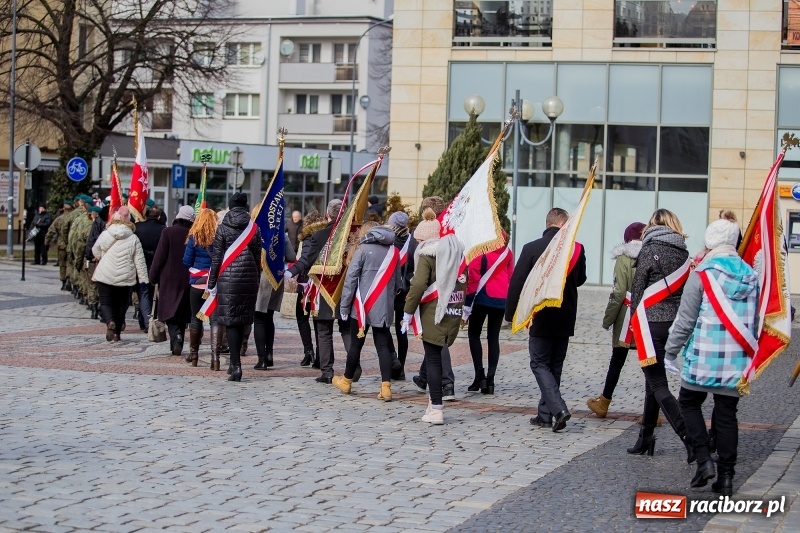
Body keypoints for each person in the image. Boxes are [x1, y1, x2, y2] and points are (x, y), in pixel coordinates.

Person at [665, 219, 758, 496]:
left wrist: (670, 352)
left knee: (689, 403)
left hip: (703, 357)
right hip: (736, 361)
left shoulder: (702, 273)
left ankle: (704, 460)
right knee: (727, 414)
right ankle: (727, 476)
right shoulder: (752, 275)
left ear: (709, 241)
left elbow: (685, 320)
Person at [505, 208, 586, 432]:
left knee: (539, 364)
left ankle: (558, 409)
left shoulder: (531, 248)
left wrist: (511, 315)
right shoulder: (576, 249)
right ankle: (545, 415)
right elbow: (580, 279)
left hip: (540, 315)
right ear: (561, 225)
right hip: (565, 315)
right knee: (554, 366)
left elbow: (517, 282)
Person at [627, 209, 695, 462]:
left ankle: (690, 437)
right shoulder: (684, 252)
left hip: (651, 324)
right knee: (651, 382)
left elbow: (638, 290)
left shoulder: (648, 249)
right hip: (675, 325)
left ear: (652, 225)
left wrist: (635, 325)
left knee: (657, 384)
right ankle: (646, 437)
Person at [402, 208, 466, 424]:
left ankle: (437, 408)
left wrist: (407, 311)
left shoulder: (428, 255)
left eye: (419, 240)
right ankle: (432, 405)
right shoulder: (453, 254)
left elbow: (419, 284)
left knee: (433, 362)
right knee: (436, 358)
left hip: (433, 313)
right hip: (451, 312)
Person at [332, 222, 399, 399]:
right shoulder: (394, 252)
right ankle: (386, 388)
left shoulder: (362, 249)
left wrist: (344, 307)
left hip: (361, 308)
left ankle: (346, 381)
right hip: (383, 307)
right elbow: (398, 283)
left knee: (356, 344)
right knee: (383, 346)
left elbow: (351, 280)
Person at [587, 222, 645, 418]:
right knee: (649, 364)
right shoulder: (651, 256)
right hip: (646, 315)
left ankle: (604, 402)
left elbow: (619, 291)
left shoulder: (624, 258)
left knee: (617, 361)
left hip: (626, 315)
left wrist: (607, 319)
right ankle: (652, 411)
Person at [285, 199, 344, 384]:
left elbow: (306, 260)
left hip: (324, 288)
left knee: (324, 330)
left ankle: (327, 371)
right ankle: (353, 368)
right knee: (347, 329)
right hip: (346, 288)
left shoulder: (318, 236)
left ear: (328, 214)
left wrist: (290, 272)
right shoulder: (352, 234)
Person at [207, 193, 262, 382]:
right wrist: (256, 279)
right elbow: (257, 258)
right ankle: (234, 363)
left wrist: (212, 282)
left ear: (230, 206)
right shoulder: (254, 228)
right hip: (249, 279)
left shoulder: (222, 228)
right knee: (242, 320)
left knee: (230, 321)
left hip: (227, 280)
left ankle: (235, 364)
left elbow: (216, 259)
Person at [411, 196, 457, 401]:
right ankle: (423, 378)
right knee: (434, 341)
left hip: (436, 293)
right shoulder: (446, 230)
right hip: (449, 291)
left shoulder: (436, 233)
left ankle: (446, 384)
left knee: (438, 339)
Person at [464, 232, 513, 395]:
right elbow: (510, 277)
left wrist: (467, 303)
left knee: (474, 335)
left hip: (482, 298)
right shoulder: (507, 252)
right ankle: (491, 379)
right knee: (493, 338)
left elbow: (473, 278)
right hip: (501, 300)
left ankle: (480, 375)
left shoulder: (480, 251)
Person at [92, 206, 149, 342]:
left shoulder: (106, 233)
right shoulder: (134, 238)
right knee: (121, 305)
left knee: (105, 302)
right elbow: (139, 261)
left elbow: (95, 250)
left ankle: (110, 322)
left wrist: (102, 256)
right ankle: (117, 333)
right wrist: (143, 279)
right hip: (125, 277)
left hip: (105, 274)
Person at [150, 205, 194, 357]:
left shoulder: (168, 232)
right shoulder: (192, 234)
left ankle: (176, 337)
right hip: (188, 278)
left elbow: (160, 256)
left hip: (169, 278)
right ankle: (178, 339)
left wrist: (153, 276)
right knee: (181, 311)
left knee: (169, 312)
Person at [253, 229, 296, 371]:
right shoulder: (281, 233)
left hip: (262, 276)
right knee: (269, 317)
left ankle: (261, 359)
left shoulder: (256, 232)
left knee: (259, 317)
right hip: (276, 277)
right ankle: (269, 354)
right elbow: (291, 256)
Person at [183, 208, 219, 369]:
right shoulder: (219, 238)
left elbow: (186, 261)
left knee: (195, 319)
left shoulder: (194, 237)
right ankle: (215, 358)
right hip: (213, 285)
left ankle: (194, 355)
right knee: (215, 320)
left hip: (197, 283)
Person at [387, 210, 416, 380]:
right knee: (402, 331)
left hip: (392, 291)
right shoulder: (413, 242)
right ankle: (401, 369)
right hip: (407, 292)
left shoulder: (390, 242)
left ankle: (393, 358)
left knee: (383, 327)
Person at [295, 211, 325, 367]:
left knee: (302, 316)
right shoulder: (326, 236)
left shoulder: (308, 238)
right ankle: (320, 354)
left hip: (307, 282)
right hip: (321, 283)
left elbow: (303, 259)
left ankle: (309, 351)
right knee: (318, 320)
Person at [135, 206, 166, 331]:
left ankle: (144, 321)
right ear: (159, 217)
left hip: (140, 265)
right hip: (157, 266)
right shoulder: (163, 229)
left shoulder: (137, 227)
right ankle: (152, 319)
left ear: (146, 216)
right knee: (155, 295)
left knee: (143, 293)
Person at [47, 201, 73, 290]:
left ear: (64, 208)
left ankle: (63, 282)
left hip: (61, 245)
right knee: (70, 263)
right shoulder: (75, 218)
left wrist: (47, 242)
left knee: (62, 264)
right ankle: (69, 281)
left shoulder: (59, 219)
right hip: (71, 245)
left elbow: (51, 231)